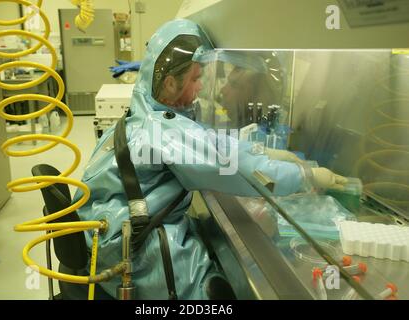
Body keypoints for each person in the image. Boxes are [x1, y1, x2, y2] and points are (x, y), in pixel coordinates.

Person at [74, 19, 347, 300]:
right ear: (169, 83)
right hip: (132, 254)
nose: (202, 86)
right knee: (218, 291)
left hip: (105, 239)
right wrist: (306, 176)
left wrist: (264, 151)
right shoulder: (163, 131)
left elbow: (209, 144)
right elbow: (238, 169)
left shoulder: (143, 118)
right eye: (195, 79)